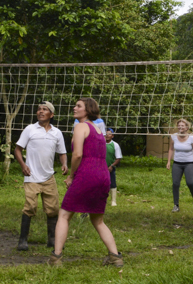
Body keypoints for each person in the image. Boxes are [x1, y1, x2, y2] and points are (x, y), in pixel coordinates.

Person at [49, 98, 122, 267]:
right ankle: (115, 257)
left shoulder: (80, 126)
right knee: (98, 220)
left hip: (87, 174)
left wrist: (71, 176)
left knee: (64, 215)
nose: (74, 108)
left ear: (87, 110)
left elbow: (78, 155)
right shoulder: (98, 130)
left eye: (78, 106)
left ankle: (56, 258)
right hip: (103, 175)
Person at [14, 102, 67, 250]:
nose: (40, 112)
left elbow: (62, 153)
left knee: (53, 209)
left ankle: (52, 240)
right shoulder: (30, 129)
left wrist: (64, 164)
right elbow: (17, 149)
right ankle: (22, 240)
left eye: (45, 110)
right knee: (30, 207)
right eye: (38, 109)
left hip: (49, 177)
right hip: (31, 177)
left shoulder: (57, 133)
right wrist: (23, 165)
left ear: (52, 114)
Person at [166, 119, 193, 212]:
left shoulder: (192, 138)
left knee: (190, 183)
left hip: (189, 163)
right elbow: (171, 149)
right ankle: (176, 205)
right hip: (177, 163)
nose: (180, 127)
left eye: (182, 125)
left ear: (187, 127)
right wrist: (169, 161)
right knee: (175, 184)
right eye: (179, 125)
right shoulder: (173, 137)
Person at [105, 127, 122, 207]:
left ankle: (113, 201)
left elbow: (118, 158)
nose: (107, 135)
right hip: (101, 168)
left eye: (109, 134)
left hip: (110, 168)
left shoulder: (115, 145)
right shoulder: (100, 143)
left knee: (112, 183)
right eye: (106, 133)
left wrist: (112, 166)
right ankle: (102, 200)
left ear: (112, 136)